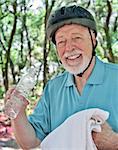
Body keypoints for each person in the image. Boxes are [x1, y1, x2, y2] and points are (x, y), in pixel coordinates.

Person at [4, 5, 118, 149]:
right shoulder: (53, 88)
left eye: (77, 37)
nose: (69, 48)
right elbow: (32, 142)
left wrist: (114, 142)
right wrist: (18, 113)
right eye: (61, 42)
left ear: (93, 39)